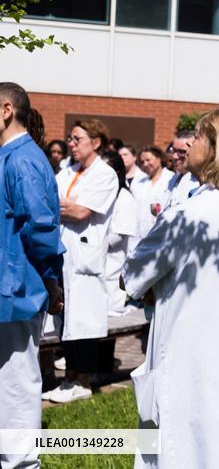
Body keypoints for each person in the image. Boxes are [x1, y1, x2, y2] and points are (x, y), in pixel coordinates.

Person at [123, 110, 219, 469]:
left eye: (199, 137)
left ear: (218, 149)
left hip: (189, 348)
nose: (189, 144)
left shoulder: (190, 213)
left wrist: (151, 286)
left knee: (183, 440)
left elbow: (135, 274)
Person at [0, 83, 63, 469]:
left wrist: (51, 279)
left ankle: (22, 462)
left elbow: (40, 227)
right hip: (10, 285)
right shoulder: (10, 156)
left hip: (19, 287)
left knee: (17, 381)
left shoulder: (22, 160)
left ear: (6, 110)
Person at [47, 119, 120, 403]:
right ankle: (69, 380)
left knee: (84, 319)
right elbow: (52, 202)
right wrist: (65, 205)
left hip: (85, 255)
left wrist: (62, 206)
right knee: (65, 316)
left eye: (77, 139)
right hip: (64, 253)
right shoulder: (67, 171)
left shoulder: (105, 175)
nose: (71, 144)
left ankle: (83, 380)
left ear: (96, 142)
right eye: (70, 138)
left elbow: (81, 213)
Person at [100, 149, 139, 318]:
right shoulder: (99, 194)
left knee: (109, 319)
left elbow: (120, 235)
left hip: (111, 268)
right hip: (94, 266)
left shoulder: (124, 198)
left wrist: (92, 245)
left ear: (116, 172)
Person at [132, 146, 175, 238]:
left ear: (159, 158)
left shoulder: (171, 179)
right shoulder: (140, 182)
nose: (145, 164)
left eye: (148, 160)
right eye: (142, 162)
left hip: (161, 234)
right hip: (138, 236)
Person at [162, 129, 199, 211]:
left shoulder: (198, 184)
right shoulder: (172, 179)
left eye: (182, 152)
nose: (174, 156)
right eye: (173, 150)